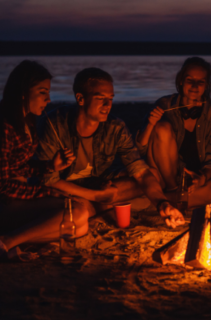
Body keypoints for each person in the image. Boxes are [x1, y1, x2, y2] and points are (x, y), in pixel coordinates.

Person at [35, 67, 185, 228]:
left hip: (95, 184)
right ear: (80, 99)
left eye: (111, 98)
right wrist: (97, 196)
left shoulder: (115, 127)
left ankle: (95, 206)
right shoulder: (55, 124)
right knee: (59, 197)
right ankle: (96, 205)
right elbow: (49, 180)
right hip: (64, 188)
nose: (108, 104)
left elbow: (141, 173)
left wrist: (162, 204)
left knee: (153, 175)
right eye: (100, 98)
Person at [0, 60, 88, 264]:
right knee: (77, 213)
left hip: (17, 196)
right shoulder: (3, 128)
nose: (49, 99)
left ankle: (8, 239)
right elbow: (3, 189)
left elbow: (18, 166)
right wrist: (45, 192)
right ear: (23, 92)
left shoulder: (26, 121)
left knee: (80, 226)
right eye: (42, 92)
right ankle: (4, 242)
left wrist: (49, 166)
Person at [135, 57, 211, 208]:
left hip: (195, 181)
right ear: (181, 81)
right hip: (164, 178)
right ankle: (173, 192)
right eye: (189, 80)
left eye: (200, 82)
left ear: (206, 85)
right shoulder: (164, 105)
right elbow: (140, 150)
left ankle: (159, 201)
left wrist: (203, 178)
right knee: (162, 127)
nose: (194, 86)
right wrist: (150, 125)